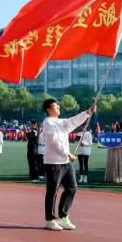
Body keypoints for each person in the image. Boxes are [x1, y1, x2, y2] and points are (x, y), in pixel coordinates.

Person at [39, 98, 96, 230]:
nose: (58, 108)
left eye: (58, 106)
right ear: (48, 110)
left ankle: (63, 216)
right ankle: (50, 220)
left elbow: (73, 121)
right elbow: (54, 142)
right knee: (52, 191)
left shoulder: (61, 122)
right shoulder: (47, 122)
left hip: (65, 162)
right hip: (54, 162)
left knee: (72, 188)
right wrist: (68, 154)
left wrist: (87, 113)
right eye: (55, 106)